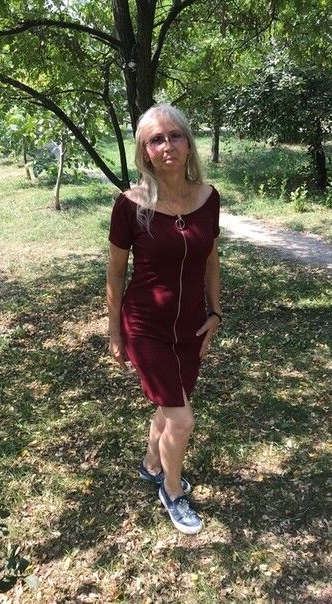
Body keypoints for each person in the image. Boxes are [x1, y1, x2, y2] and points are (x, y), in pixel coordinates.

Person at [107, 103, 221, 535]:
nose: (167, 145)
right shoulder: (130, 205)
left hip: (189, 326)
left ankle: (152, 464)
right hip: (145, 326)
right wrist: (115, 333)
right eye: (156, 139)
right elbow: (115, 273)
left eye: (175, 135)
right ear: (145, 152)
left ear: (188, 143)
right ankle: (172, 491)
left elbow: (211, 258)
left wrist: (215, 311)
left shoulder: (208, 198)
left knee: (170, 404)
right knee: (182, 418)